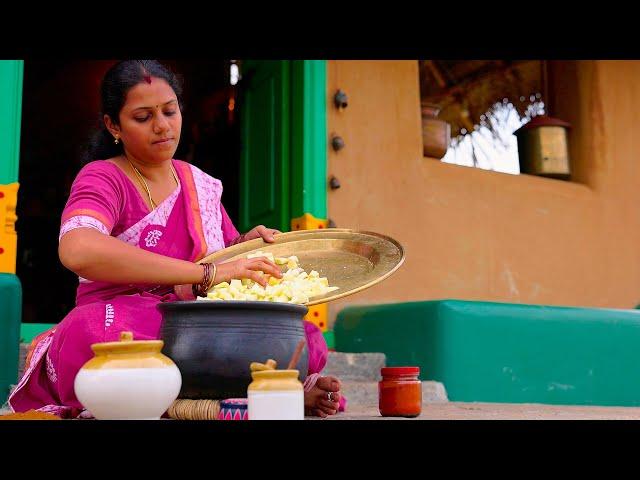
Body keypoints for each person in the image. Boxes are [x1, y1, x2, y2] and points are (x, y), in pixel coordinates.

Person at [8, 60, 344, 419]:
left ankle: (197, 399)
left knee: (299, 332)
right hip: (129, 323)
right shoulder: (104, 178)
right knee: (88, 331)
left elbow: (223, 254)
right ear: (112, 125)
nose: (162, 126)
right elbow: (78, 248)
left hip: (200, 325)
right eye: (143, 117)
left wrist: (249, 244)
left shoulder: (198, 184)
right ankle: (247, 394)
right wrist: (204, 274)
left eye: (170, 111)